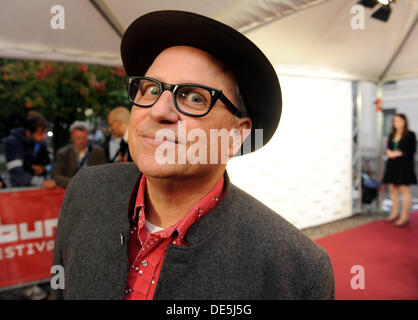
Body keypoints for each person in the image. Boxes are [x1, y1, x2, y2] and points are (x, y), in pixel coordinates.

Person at [52, 11, 334, 300]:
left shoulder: (297, 270)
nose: (158, 110)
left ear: (235, 135)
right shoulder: (86, 191)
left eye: (194, 97)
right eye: (150, 89)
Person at [4, 113, 56, 188]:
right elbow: (16, 172)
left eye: (45, 133)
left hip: (39, 188)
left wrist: (44, 168)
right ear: (28, 132)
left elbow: (49, 164)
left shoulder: (41, 143)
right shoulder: (13, 142)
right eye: (40, 134)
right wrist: (41, 182)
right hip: (19, 189)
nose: (44, 137)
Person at [382, 113, 417, 227]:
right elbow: (388, 147)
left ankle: (405, 215)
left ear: (404, 122)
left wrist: (397, 153)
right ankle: (394, 212)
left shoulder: (410, 135)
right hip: (392, 165)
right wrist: (388, 152)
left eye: (399, 121)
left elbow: (411, 151)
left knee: (404, 190)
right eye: (394, 121)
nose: (396, 123)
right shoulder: (392, 135)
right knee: (393, 189)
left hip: (404, 166)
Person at [52, 121, 107, 188]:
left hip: (92, 189)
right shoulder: (63, 153)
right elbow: (56, 175)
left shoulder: (98, 152)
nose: (81, 141)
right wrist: (72, 181)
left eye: (84, 138)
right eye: (78, 138)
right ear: (72, 138)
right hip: (71, 190)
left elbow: (104, 173)